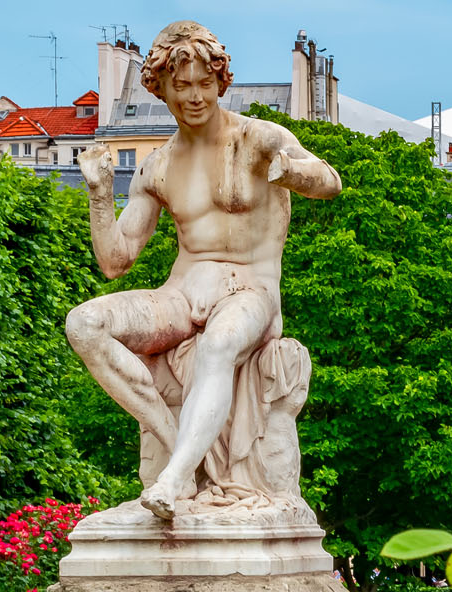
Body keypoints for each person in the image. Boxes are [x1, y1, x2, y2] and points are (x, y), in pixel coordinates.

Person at [68, 19, 342, 520]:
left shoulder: (258, 138)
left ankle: (173, 480)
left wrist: (291, 172)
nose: (195, 96)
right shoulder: (157, 166)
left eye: (204, 83)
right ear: (162, 89)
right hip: (181, 293)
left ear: (220, 82)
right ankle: (182, 456)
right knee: (84, 324)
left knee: (218, 343)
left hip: (250, 290)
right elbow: (115, 261)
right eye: (182, 86)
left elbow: (330, 181)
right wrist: (98, 193)